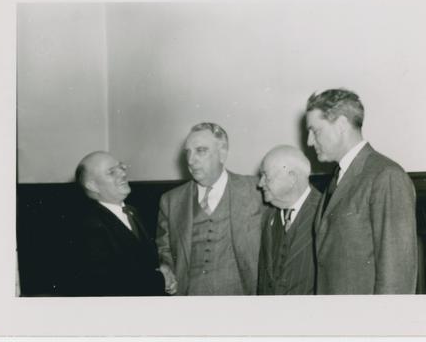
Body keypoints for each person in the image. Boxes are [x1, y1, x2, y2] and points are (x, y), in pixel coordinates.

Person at [306, 88, 418, 294]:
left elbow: (397, 278)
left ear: (341, 125)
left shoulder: (386, 176)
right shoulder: (338, 177)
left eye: (315, 131)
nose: (309, 141)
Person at [156, 122, 266, 295]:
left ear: (222, 154)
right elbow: (165, 248)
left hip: (243, 301)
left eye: (201, 150)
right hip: (190, 302)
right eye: (188, 152)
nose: (191, 161)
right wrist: (166, 266)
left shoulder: (256, 191)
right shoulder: (171, 200)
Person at [61, 151, 165, 296]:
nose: (122, 174)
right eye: (111, 172)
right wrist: (162, 279)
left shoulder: (133, 211)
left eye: (121, 167)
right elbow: (111, 283)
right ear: (93, 186)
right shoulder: (88, 227)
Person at [257, 145, 322, 295]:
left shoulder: (326, 214)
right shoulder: (268, 216)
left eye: (266, 176)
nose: (260, 183)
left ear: (292, 178)